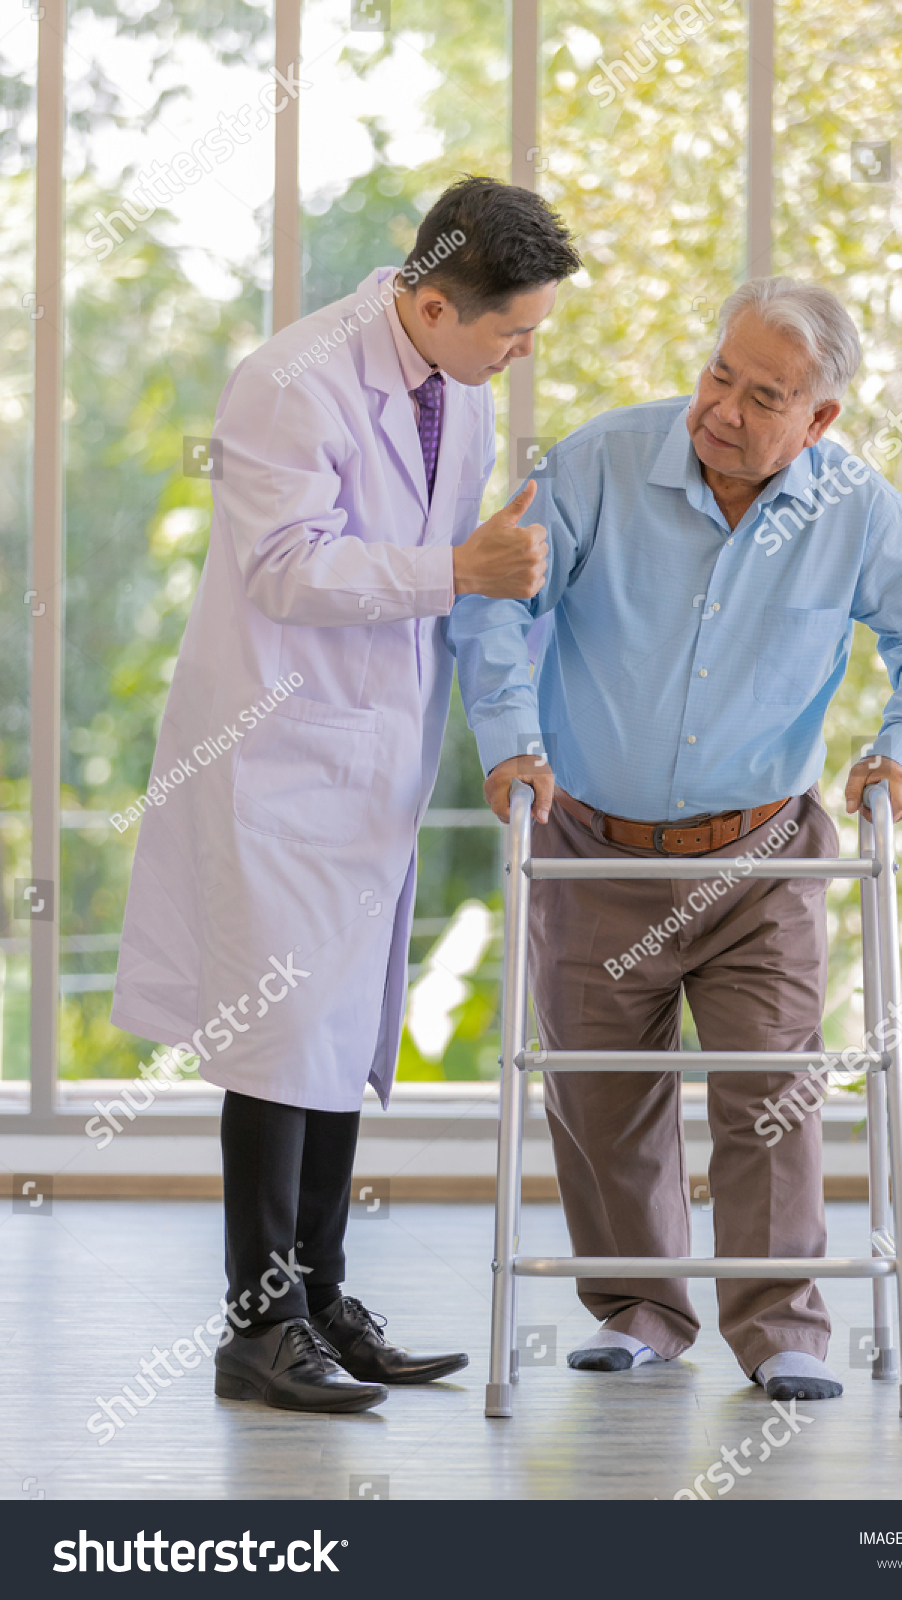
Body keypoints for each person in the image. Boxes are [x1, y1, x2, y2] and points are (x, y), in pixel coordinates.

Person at [448, 276, 902, 1402]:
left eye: (763, 397)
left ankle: (780, 1326)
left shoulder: (853, 508)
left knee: (770, 1090)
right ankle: (639, 1310)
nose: (723, 411)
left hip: (762, 859)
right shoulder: (600, 464)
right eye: (716, 376)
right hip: (593, 846)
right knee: (600, 1097)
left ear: (819, 418)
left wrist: (900, 754)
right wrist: (510, 741)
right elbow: (493, 600)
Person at [112, 176, 582, 1414]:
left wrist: (472, 599)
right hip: (275, 754)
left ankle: (320, 1300)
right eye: (513, 330)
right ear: (432, 306)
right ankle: (258, 1326)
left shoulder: (456, 387)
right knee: (278, 1043)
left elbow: (442, 571)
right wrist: (455, 567)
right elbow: (283, 567)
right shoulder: (290, 380)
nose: (523, 352)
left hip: (370, 759)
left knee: (331, 1037)